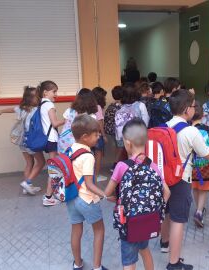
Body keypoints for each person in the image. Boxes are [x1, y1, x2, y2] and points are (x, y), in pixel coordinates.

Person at [161, 89, 209, 270]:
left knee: (167, 213)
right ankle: (174, 262)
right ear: (187, 109)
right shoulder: (190, 131)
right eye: (193, 106)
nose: (194, 109)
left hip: (164, 179)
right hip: (181, 180)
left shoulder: (164, 126)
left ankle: (164, 244)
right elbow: (207, 153)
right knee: (179, 220)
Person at [103, 118, 170, 270]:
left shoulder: (122, 166)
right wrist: (157, 210)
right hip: (148, 220)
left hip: (128, 222)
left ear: (127, 143)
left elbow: (107, 194)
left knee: (129, 260)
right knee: (144, 250)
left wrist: (116, 199)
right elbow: (167, 192)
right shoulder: (152, 165)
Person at [66, 114, 109, 270]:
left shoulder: (70, 149)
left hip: (72, 198)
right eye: (96, 134)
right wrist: (105, 195)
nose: (98, 136)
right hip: (87, 200)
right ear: (85, 137)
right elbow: (89, 185)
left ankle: (77, 264)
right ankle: (97, 267)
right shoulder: (88, 156)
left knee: (76, 230)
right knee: (99, 230)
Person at [0, 86, 44, 195]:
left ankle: (26, 188)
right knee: (41, 162)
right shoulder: (37, 109)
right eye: (37, 96)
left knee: (29, 163)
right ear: (31, 98)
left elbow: (11, 109)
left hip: (22, 140)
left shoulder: (21, 108)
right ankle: (27, 183)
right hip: (31, 140)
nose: (39, 98)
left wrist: (1, 111)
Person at [36, 81, 66, 206]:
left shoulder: (41, 104)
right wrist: (67, 119)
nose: (56, 94)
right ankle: (48, 197)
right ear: (45, 92)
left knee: (54, 167)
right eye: (54, 91)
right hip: (52, 139)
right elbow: (54, 123)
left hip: (47, 139)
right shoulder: (49, 105)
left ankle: (51, 194)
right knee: (53, 168)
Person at [189, 102, 209, 228]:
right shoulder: (208, 129)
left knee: (194, 187)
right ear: (203, 115)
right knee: (204, 188)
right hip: (206, 165)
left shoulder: (186, 130)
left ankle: (198, 208)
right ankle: (199, 211)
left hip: (191, 165)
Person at [57, 88, 99, 154]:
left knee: (65, 163)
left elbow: (66, 123)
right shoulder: (91, 116)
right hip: (79, 145)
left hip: (64, 142)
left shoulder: (69, 111)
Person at [104, 86, 123, 172]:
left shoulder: (110, 106)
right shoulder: (121, 108)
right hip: (117, 131)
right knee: (120, 147)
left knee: (117, 147)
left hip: (110, 131)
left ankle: (117, 164)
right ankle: (115, 165)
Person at [92, 87, 109, 182]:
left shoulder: (89, 105)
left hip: (90, 134)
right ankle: (96, 176)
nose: (105, 98)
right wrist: (104, 135)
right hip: (97, 134)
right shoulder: (97, 107)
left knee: (91, 155)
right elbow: (100, 123)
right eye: (104, 96)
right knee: (98, 155)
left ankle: (92, 175)